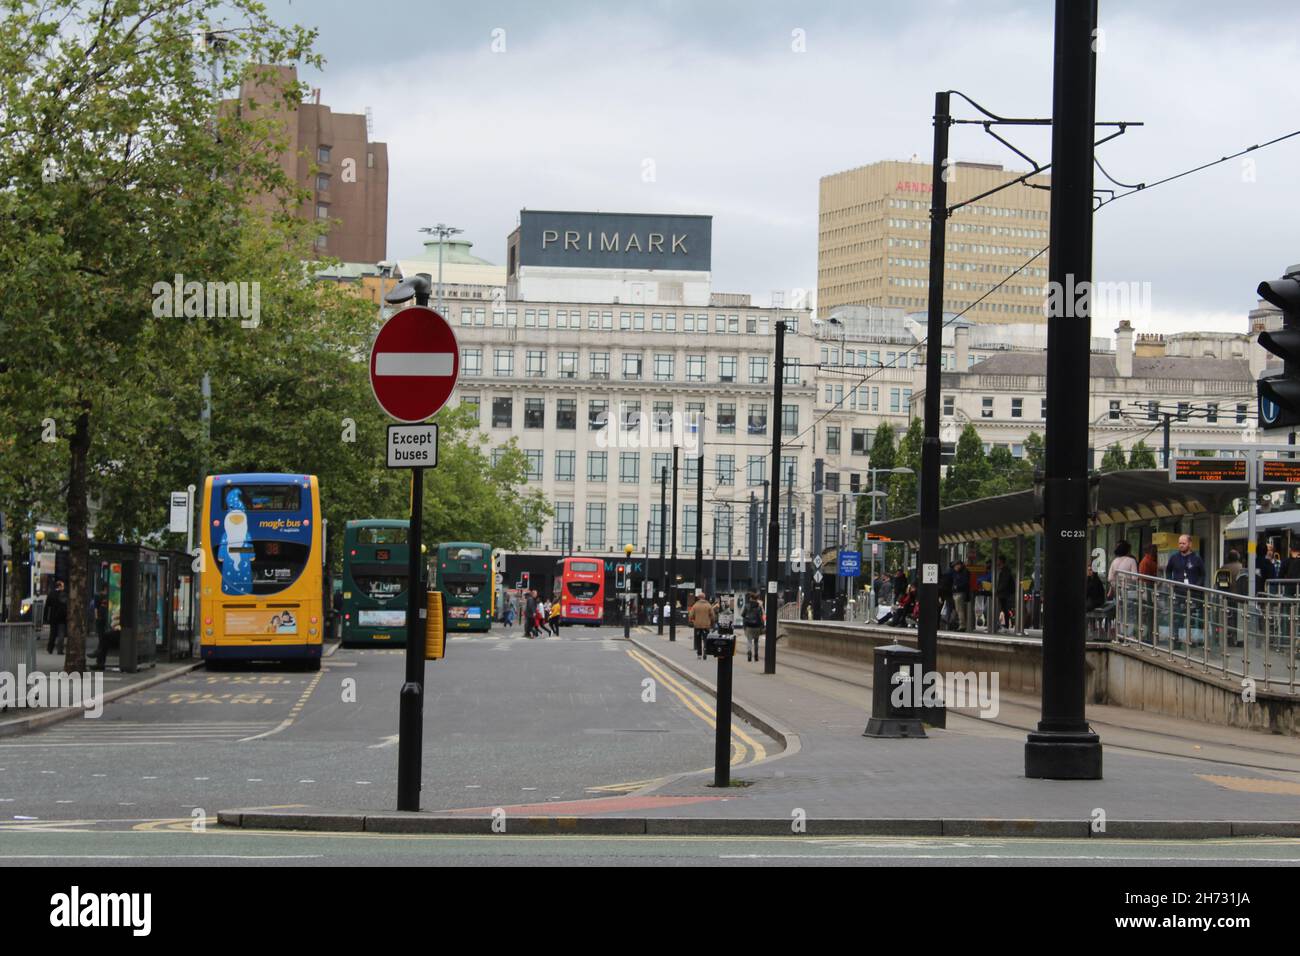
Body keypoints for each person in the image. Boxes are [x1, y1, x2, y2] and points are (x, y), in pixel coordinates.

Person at [688, 590, 715, 659]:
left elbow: (690, 615)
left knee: (698, 639)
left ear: (699, 598)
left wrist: (693, 620)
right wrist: (712, 623)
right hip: (706, 626)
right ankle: (705, 651)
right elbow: (712, 616)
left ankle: (699, 654)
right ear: (704, 597)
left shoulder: (695, 605)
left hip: (697, 625)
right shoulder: (708, 605)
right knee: (706, 639)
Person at [45, 579, 68, 655]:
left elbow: (47, 605)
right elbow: (65, 605)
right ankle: (60, 650)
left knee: (52, 633)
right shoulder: (63, 594)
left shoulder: (51, 594)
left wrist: (46, 617)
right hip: (62, 617)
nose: (64, 587)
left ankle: (50, 648)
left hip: (53, 617)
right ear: (60, 586)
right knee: (61, 634)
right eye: (63, 586)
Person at [741, 592, 764, 663]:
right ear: (756, 599)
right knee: (756, 642)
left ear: (751, 598)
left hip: (749, 626)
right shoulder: (759, 607)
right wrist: (762, 626)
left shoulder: (747, 606)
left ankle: (749, 653)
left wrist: (746, 620)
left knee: (749, 641)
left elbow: (743, 615)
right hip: (757, 626)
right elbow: (761, 617)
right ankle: (756, 655)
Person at [995, 555, 1015, 629]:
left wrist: (998, 589)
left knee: (1004, 609)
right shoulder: (1002, 570)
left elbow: (1004, 582)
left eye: (998, 560)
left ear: (1001, 561)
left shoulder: (1005, 570)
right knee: (1003, 608)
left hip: (1004, 593)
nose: (997, 562)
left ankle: (1006, 625)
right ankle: (1003, 625)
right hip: (1002, 592)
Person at [951, 559, 971, 632]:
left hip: (960, 592)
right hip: (957, 592)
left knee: (960, 610)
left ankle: (962, 625)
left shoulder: (964, 573)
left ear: (959, 565)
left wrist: (957, 586)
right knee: (958, 609)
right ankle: (958, 624)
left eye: (955, 566)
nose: (954, 568)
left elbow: (965, 583)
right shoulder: (958, 572)